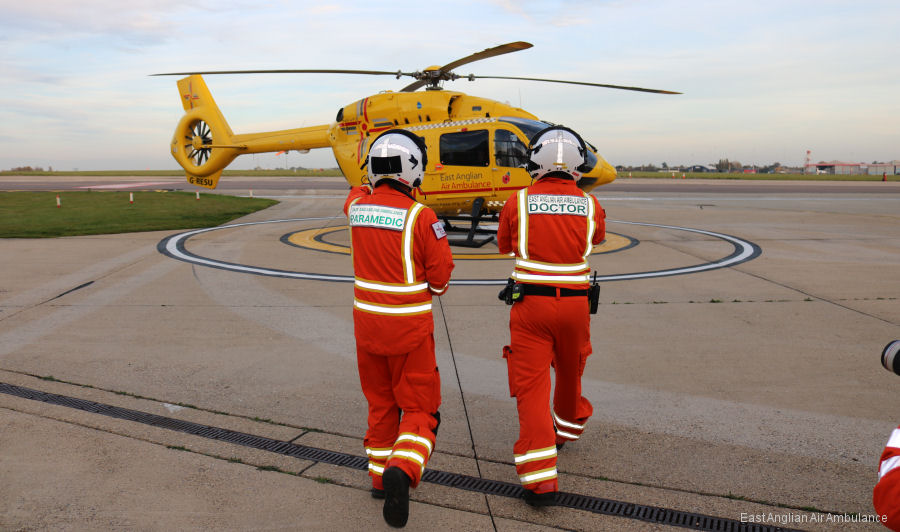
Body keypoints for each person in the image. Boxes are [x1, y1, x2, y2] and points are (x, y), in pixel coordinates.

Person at [343, 129, 454, 528]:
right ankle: (403, 469)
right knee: (422, 407)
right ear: (414, 170)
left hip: (367, 329)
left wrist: (368, 179)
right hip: (409, 330)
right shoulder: (422, 218)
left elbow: (356, 192)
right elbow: (440, 282)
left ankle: (377, 478)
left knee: (381, 401)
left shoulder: (356, 207)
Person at [496, 126, 606, 506]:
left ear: (535, 162)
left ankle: (540, 481)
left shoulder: (519, 200)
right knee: (571, 371)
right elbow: (596, 239)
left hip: (531, 307)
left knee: (531, 388)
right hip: (575, 306)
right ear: (578, 164)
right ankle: (566, 428)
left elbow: (505, 245)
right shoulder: (590, 205)